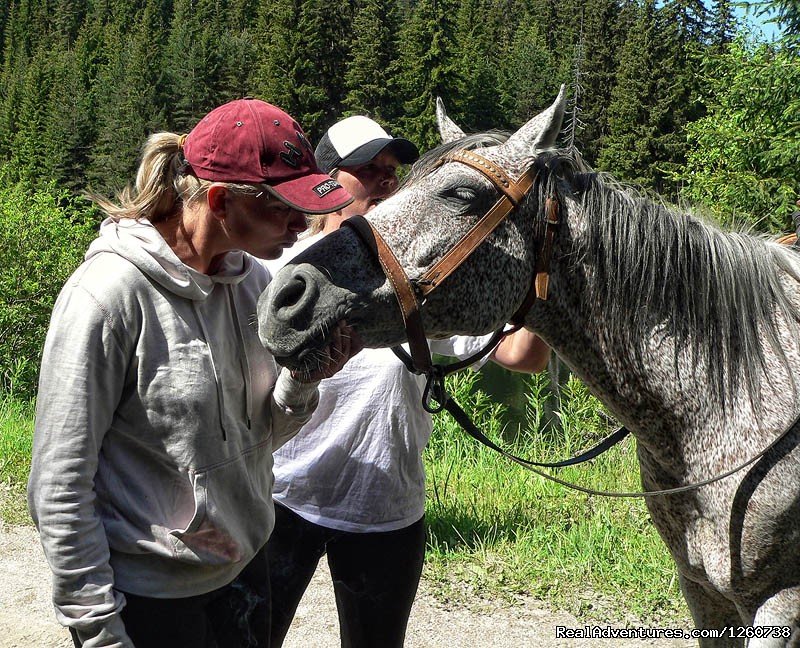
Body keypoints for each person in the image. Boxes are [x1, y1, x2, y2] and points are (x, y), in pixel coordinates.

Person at [27, 98, 360, 648]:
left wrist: (304, 378)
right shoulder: (107, 297)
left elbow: (260, 438)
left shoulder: (253, 284)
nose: (302, 226)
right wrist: (98, 629)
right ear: (221, 200)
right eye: (283, 208)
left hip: (243, 574)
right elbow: (59, 486)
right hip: (150, 601)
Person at [265, 116, 551, 647]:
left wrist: (544, 275)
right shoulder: (283, 275)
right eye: (368, 170)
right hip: (283, 499)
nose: (385, 183)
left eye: (392, 173)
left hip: (387, 513)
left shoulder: (416, 277)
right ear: (327, 181)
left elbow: (521, 354)